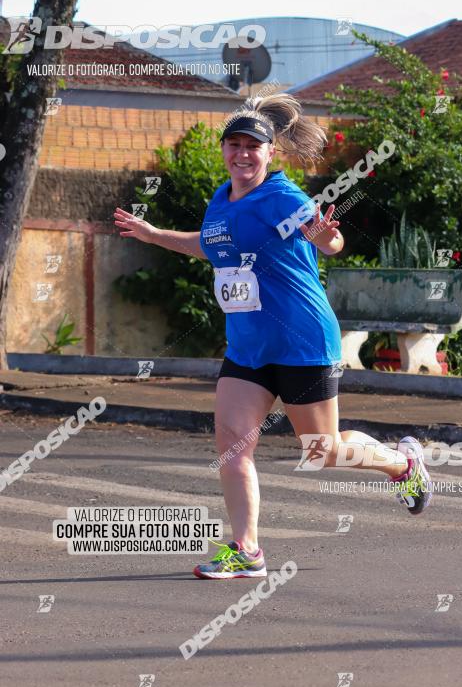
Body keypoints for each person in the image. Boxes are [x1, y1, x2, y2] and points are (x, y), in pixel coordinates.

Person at [114, 93, 432, 580]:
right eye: (234, 144)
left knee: (321, 451)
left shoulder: (282, 197)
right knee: (233, 445)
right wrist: (154, 234)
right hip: (248, 346)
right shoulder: (222, 199)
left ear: (270, 152)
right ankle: (246, 549)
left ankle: (402, 464)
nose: (242, 154)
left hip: (302, 340)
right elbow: (211, 246)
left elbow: (328, 239)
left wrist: (325, 236)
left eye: (252, 146)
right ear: (224, 150)